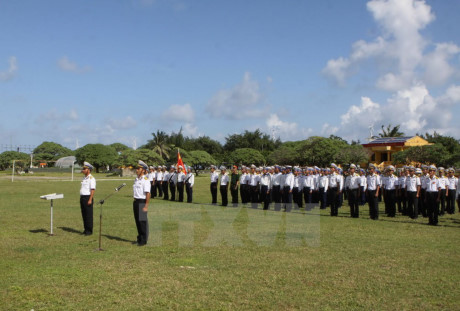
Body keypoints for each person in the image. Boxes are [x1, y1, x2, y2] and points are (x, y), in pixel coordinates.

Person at [133, 160, 151, 246]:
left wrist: (146, 206)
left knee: (142, 221)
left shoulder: (145, 180)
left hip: (142, 202)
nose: (136, 170)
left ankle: (144, 240)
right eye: (136, 168)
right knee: (137, 221)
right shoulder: (136, 179)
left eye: (138, 168)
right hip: (136, 201)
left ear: (143, 170)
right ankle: (139, 237)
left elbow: (148, 194)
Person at [80, 161, 96, 236]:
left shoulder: (91, 178)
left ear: (88, 170)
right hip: (83, 197)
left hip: (88, 197)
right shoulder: (84, 177)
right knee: (84, 214)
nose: (83, 170)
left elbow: (92, 189)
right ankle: (85, 229)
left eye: (84, 169)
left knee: (88, 215)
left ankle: (89, 231)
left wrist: (90, 199)